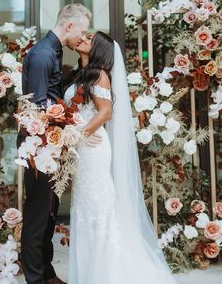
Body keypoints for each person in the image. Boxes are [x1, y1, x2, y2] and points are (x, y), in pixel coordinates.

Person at [64, 31, 179, 284]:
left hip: (92, 147)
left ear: (99, 50)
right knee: (83, 207)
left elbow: (105, 113)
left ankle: (107, 274)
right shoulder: (77, 74)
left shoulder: (99, 75)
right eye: (83, 36)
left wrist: (77, 135)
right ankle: (85, 272)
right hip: (80, 148)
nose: (82, 38)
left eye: (89, 39)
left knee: (98, 207)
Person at [17, 3, 95, 284]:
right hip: (38, 147)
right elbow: (39, 106)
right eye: (82, 31)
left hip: (52, 145)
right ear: (69, 25)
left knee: (49, 213)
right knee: (38, 215)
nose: (83, 38)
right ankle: (36, 279)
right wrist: (73, 127)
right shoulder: (42, 55)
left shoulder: (55, 52)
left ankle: (46, 272)